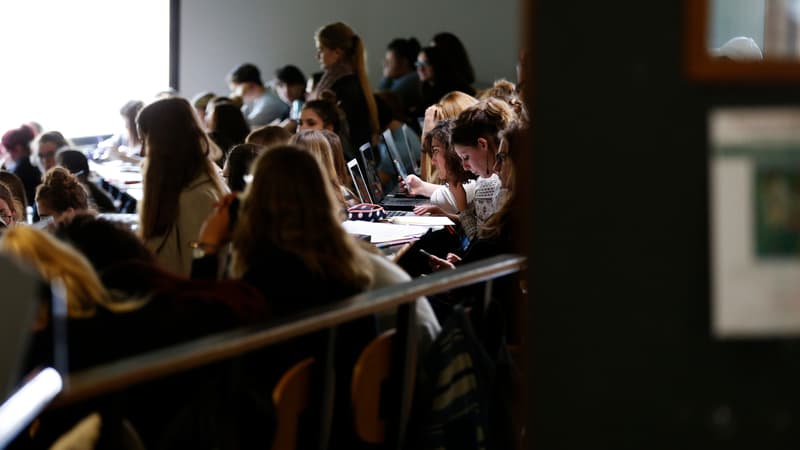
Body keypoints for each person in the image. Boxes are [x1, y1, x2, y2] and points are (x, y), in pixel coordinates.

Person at [137, 97, 228, 276]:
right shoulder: (186, 189)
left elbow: (195, 274)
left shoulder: (197, 197)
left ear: (164, 145)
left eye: (145, 141)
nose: (141, 152)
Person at [311, 22, 380, 149]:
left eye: (321, 49)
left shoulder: (340, 87)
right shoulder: (353, 80)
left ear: (337, 53)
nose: (317, 56)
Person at [416, 46, 476, 114]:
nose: (420, 69)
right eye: (418, 64)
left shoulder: (454, 89)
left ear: (437, 64)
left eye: (426, 63)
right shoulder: (427, 87)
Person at [227, 63, 289, 127]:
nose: (235, 93)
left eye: (235, 89)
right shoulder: (260, 98)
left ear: (248, 85)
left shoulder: (269, 102)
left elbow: (245, 126)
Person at [378, 37, 423, 119]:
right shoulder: (396, 79)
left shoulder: (412, 80)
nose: (385, 64)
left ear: (404, 62)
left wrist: (386, 77)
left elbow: (381, 103)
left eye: (389, 61)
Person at [1, 125, 41, 207]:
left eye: (8, 151)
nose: (8, 155)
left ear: (18, 148)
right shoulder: (36, 161)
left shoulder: (22, 167)